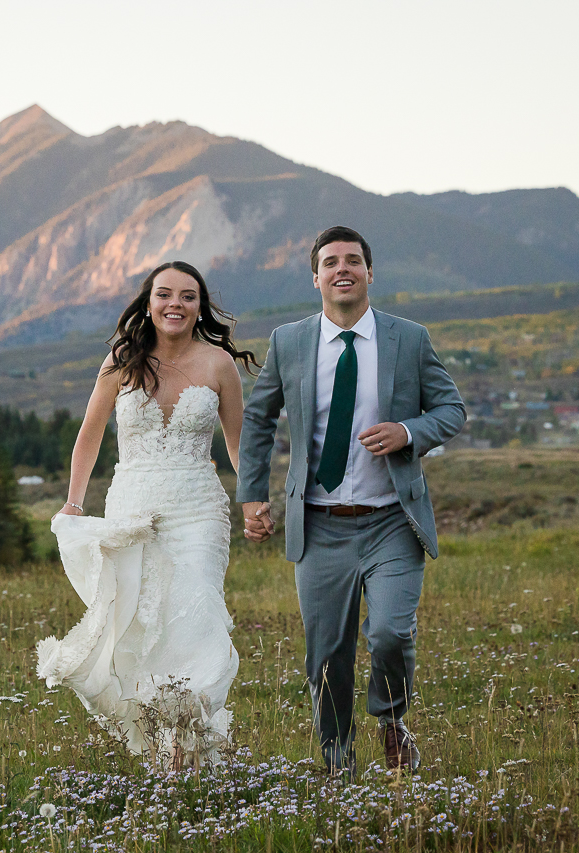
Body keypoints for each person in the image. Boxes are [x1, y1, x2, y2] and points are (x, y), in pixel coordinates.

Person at [237, 226, 465, 779]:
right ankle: (338, 764)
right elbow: (258, 419)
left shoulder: (408, 338)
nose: (343, 269)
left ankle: (391, 722)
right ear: (315, 276)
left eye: (354, 261)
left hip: (392, 520)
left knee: (390, 632)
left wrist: (408, 432)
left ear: (369, 273)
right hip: (319, 526)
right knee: (327, 657)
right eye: (331, 262)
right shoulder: (288, 342)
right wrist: (252, 496)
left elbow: (451, 410)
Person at [36, 260, 259, 769]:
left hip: (197, 510)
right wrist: (74, 503)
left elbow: (239, 444)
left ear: (200, 306)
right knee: (140, 620)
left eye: (187, 296)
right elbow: (89, 434)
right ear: (149, 301)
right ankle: (163, 751)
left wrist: (253, 503)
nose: (175, 304)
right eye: (165, 295)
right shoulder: (121, 360)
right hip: (132, 507)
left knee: (196, 609)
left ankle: (190, 743)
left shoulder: (219, 365)